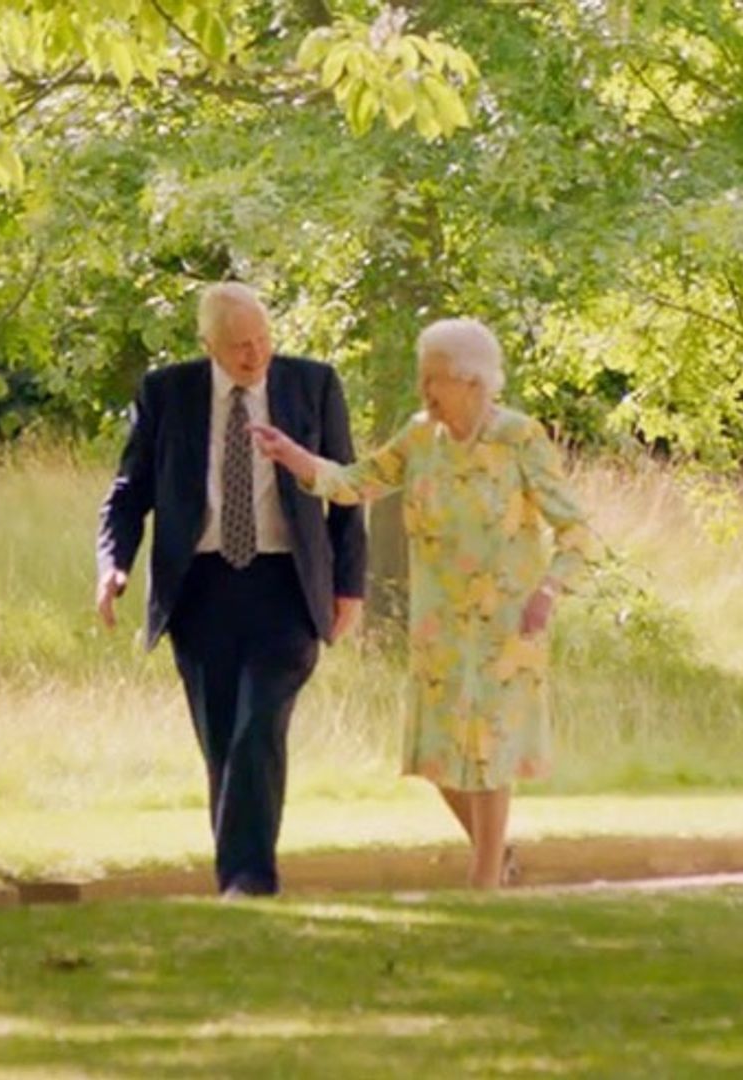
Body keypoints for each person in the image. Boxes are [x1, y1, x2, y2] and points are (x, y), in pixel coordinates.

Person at [251, 317, 598, 890]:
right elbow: (356, 482)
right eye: (423, 377)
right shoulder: (418, 437)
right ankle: (497, 852)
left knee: (489, 753)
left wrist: (548, 590)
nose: (425, 391)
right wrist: (294, 457)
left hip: (506, 624)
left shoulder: (519, 438)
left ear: (472, 382)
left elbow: (577, 530)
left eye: (434, 379)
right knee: (437, 759)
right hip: (437, 626)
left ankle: (484, 879)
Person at [97, 283, 367, 897]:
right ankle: (237, 876)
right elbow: (128, 493)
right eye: (240, 346)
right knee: (221, 737)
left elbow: (346, 491)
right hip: (201, 587)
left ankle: (251, 878)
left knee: (258, 725)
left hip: (287, 585)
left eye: (263, 340)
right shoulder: (168, 394)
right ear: (209, 345)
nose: (255, 355)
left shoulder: (312, 385)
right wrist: (113, 566)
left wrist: (350, 585)